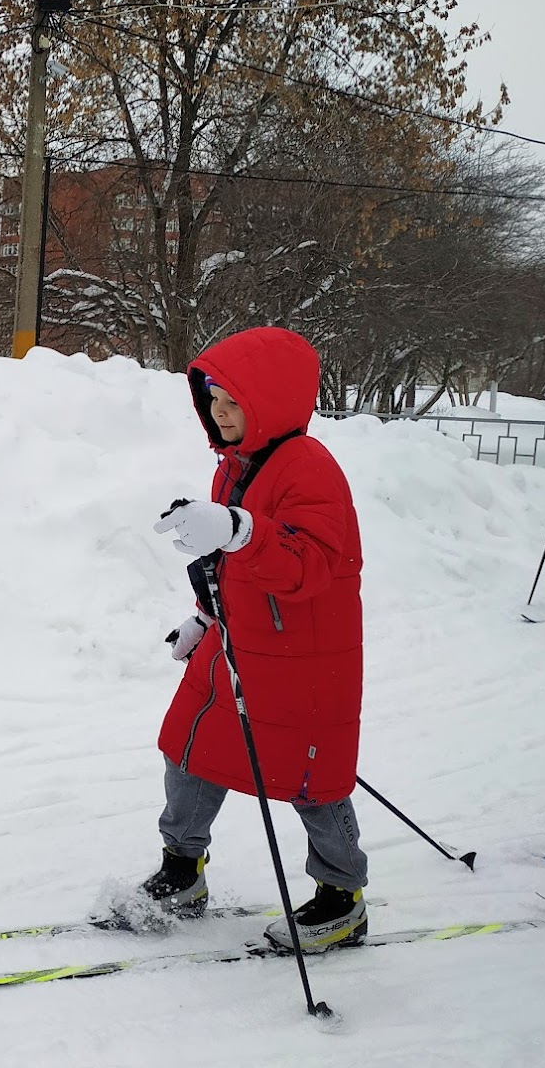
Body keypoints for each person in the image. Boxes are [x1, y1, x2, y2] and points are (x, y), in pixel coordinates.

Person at [143, 326, 369, 952]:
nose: (219, 413)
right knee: (189, 745)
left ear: (271, 400)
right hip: (238, 644)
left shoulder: (309, 468)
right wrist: (203, 617)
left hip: (302, 657)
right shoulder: (235, 466)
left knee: (308, 781)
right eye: (213, 399)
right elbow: (224, 563)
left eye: (234, 401)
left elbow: (309, 565)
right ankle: (182, 871)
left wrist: (239, 529)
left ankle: (341, 898)